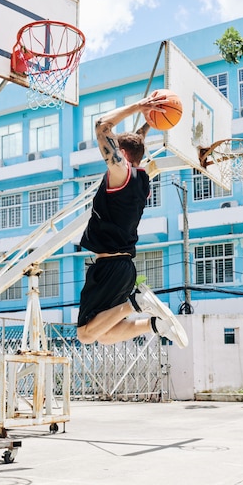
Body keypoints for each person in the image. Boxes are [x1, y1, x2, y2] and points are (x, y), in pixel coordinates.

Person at [77, 92, 188, 348]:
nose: (109, 152)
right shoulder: (141, 179)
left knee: (84, 334)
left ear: (122, 154)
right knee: (104, 334)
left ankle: (137, 304)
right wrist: (151, 120)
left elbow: (102, 126)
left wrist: (140, 106)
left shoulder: (120, 171)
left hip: (109, 268)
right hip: (124, 268)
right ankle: (154, 325)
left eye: (115, 148)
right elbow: (135, 142)